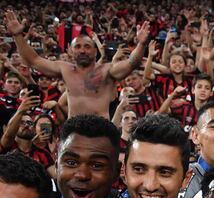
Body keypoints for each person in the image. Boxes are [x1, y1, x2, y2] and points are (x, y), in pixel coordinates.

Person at [4, 10, 150, 118]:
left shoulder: (107, 70)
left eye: (87, 47)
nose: (82, 51)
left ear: (95, 51)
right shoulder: (64, 69)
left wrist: (142, 44)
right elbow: (33, 61)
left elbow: (132, 62)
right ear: (71, 51)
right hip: (74, 131)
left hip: (100, 130)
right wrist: (17, 35)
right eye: (78, 47)